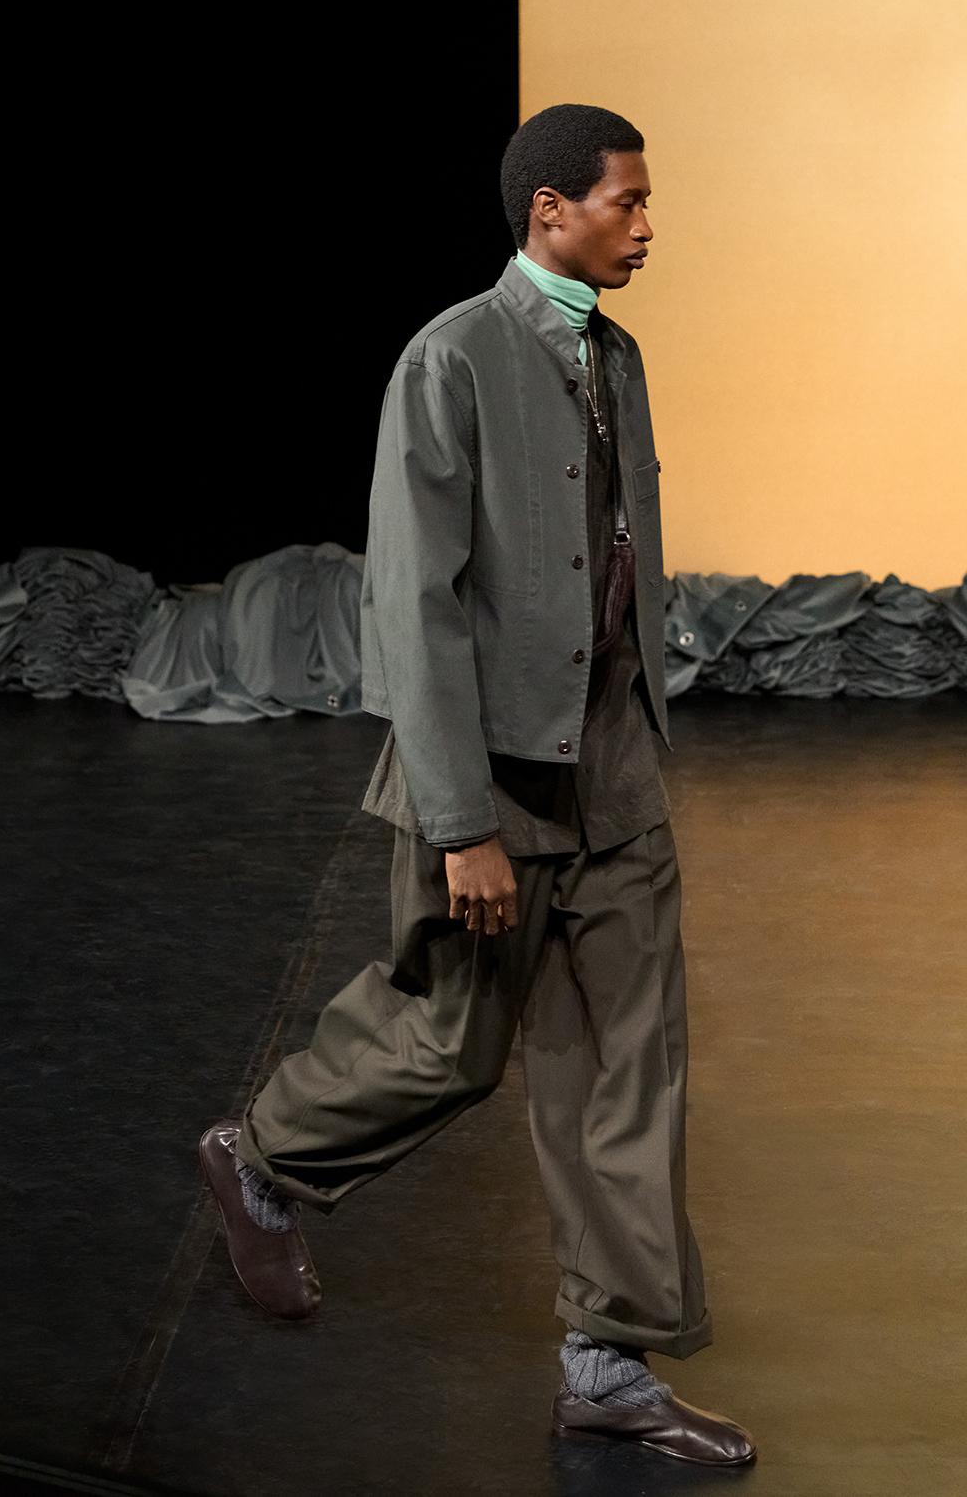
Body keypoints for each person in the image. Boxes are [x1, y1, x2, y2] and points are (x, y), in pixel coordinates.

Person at [200, 103, 756, 1469]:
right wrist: (460, 826)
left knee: (630, 1071)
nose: (647, 226)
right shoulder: (451, 357)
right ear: (549, 209)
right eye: (627, 201)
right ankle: (263, 1159)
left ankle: (607, 1365)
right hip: (494, 780)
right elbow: (415, 606)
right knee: (451, 1043)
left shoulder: (615, 354)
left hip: (616, 771)